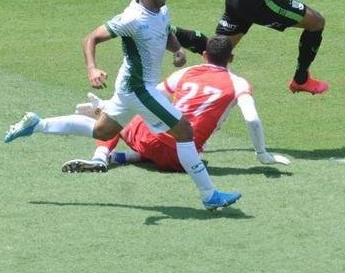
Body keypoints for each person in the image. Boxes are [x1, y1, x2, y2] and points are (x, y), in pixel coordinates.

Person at [3, 0, 241, 210]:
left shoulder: (161, 10)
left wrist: (178, 49)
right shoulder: (131, 19)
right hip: (139, 88)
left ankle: (37, 124)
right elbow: (91, 38)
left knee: (102, 131)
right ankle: (209, 195)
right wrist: (92, 69)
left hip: (131, 87)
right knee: (184, 131)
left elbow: (165, 31)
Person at [61, 35, 291, 173]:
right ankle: (121, 157)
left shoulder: (188, 72)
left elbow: (143, 99)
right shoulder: (239, 83)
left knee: (121, 119)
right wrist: (262, 154)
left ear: (204, 55)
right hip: (181, 159)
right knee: (189, 147)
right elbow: (252, 119)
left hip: (151, 140)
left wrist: (107, 106)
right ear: (231, 58)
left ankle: (102, 157)